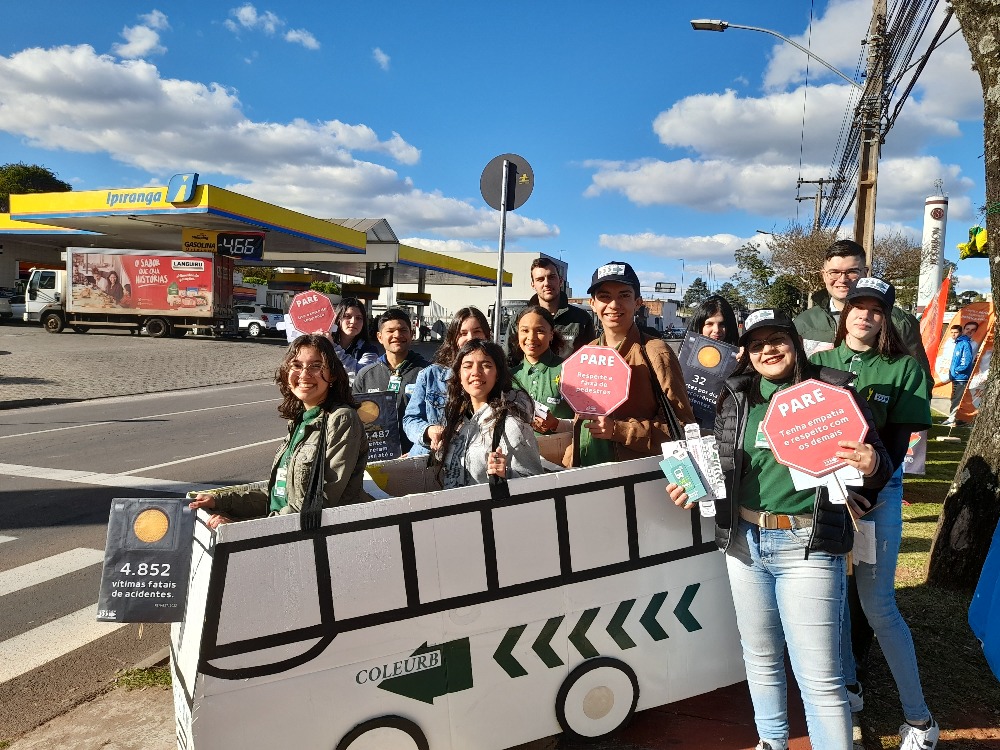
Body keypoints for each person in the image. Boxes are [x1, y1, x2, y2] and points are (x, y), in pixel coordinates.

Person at [666, 309, 892, 750]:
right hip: (745, 543)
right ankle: (771, 742)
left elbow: (877, 462)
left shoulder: (833, 390)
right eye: (756, 343)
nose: (767, 349)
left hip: (807, 544)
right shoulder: (736, 395)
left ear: (795, 342)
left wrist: (870, 464)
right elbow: (724, 466)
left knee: (820, 676)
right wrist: (693, 486)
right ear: (746, 353)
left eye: (777, 339)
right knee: (761, 658)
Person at [810, 278, 938, 749]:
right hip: (827, 497)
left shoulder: (905, 368)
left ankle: (920, 722)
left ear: (887, 318)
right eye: (856, 307)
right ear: (844, 313)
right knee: (836, 598)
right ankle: (850, 688)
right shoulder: (819, 362)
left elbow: (900, 442)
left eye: (875, 309)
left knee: (878, 606)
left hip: (876, 497)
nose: (864, 315)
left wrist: (869, 493)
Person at [189, 335, 371, 527]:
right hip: (287, 529)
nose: (304, 375)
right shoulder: (300, 419)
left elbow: (317, 502)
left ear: (332, 374)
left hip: (326, 537)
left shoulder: (341, 419)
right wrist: (221, 500)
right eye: (297, 365)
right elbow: (279, 494)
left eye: (316, 366)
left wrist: (241, 527)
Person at [572, 261, 695, 466]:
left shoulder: (656, 352)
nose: (613, 305)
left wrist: (619, 430)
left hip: (634, 481)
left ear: (638, 302)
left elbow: (683, 427)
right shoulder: (586, 353)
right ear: (592, 303)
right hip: (583, 473)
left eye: (624, 295)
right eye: (604, 296)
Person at [794, 240, 930, 376]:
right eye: (834, 272)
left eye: (852, 272)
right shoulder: (804, 323)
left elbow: (921, 380)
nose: (842, 279)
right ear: (823, 275)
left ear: (865, 273)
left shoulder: (899, 322)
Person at [437, 339, 543, 489]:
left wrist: (506, 474)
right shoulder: (458, 421)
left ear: (497, 374)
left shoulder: (512, 426)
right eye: (468, 366)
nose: (476, 373)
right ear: (459, 375)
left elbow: (536, 483)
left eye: (486, 365)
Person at [403, 307, 492, 456]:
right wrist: (428, 430)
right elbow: (410, 420)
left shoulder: (494, 375)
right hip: (430, 460)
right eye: (463, 333)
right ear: (454, 338)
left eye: (477, 332)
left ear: (487, 336)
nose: (470, 338)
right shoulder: (431, 375)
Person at [353, 309, 429, 454]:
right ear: (380, 337)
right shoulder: (365, 376)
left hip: (417, 459)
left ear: (412, 334)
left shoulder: (427, 372)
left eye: (403, 330)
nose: (397, 335)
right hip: (376, 460)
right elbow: (355, 421)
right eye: (390, 331)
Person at [507, 258, 596, 357]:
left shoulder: (581, 319)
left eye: (551, 277)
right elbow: (507, 359)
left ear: (561, 281)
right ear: (533, 285)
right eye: (540, 279)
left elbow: (590, 359)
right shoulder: (519, 318)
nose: (546, 283)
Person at [507, 305, 574, 434]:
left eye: (540, 331)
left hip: (561, 452)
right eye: (525, 331)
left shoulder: (568, 370)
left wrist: (556, 424)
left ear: (551, 335)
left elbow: (585, 423)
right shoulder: (510, 376)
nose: (531, 337)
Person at [330, 297, 379, 379]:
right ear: (338, 318)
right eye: (347, 316)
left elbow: (361, 374)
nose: (353, 321)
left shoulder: (369, 350)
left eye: (359, 318)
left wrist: (334, 348)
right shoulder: (324, 343)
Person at [946, 319, 977, 426]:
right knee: (955, 397)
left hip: (961, 377)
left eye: (972, 330)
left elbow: (966, 361)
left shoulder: (965, 343)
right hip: (956, 376)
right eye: (967, 329)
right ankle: (955, 418)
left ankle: (952, 419)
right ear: (963, 330)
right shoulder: (959, 342)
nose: (969, 331)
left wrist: (957, 370)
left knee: (958, 398)